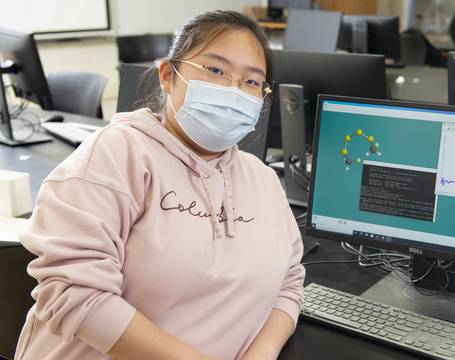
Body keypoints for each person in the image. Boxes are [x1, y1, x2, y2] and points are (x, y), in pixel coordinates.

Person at [14, 10, 305, 360]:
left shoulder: (261, 179)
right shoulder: (119, 154)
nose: (234, 90)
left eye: (251, 82)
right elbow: (75, 292)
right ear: (168, 75)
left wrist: (264, 351)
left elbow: (290, 282)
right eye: (215, 70)